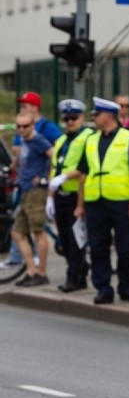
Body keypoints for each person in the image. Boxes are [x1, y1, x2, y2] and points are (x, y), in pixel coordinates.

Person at [74, 97, 129, 304]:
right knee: (98, 247)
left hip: (122, 201)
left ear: (108, 116)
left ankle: (128, 288)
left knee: (126, 247)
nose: (94, 119)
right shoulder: (91, 140)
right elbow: (83, 174)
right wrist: (80, 205)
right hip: (96, 201)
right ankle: (103, 289)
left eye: (96, 115)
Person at [45, 99, 93, 292]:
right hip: (60, 195)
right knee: (64, 239)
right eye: (67, 118)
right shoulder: (62, 140)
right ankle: (81, 271)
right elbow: (54, 168)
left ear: (82, 118)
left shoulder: (88, 137)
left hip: (76, 194)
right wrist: (50, 196)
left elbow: (85, 167)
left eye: (74, 118)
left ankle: (73, 278)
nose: (70, 122)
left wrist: (66, 176)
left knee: (75, 240)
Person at [10, 111, 54, 286]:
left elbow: (54, 156)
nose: (21, 129)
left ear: (32, 125)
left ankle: (41, 273)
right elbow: (20, 158)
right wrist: (12, 168)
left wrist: (46, 180)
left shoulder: (39, 140)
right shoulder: (24, 140)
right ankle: (30, 270)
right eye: (18, 126)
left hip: (36, 192)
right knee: (17, 232)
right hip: (25, 189)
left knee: (38, 231)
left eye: (25, 126)